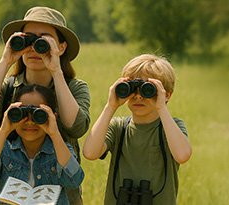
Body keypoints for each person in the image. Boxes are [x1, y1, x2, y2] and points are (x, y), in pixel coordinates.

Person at [0, 7, 89, 203]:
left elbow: (75, 127)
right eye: (28, 39)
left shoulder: (74, 88)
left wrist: (56, 71)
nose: (34, 48)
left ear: (61, 47)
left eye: (43, 41)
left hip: (62, 196)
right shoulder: (9, 87)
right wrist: (5, 62)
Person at [83, 54, 193, 204]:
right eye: (133, 88)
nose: (139, 96)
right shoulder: (118, 127)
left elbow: (182, 155)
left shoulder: (172, 127)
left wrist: (161, 106)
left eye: (148, 89)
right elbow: (90, 153)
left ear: (166, 95)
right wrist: (111, 106)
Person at [0, 85, 84, 205]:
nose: (30, 121)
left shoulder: (61, 150)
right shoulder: (4, 148)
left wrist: (54, 133)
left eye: (39, 115)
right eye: (23, 114)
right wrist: (4, 130)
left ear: (53, 116)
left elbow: (74, 180)